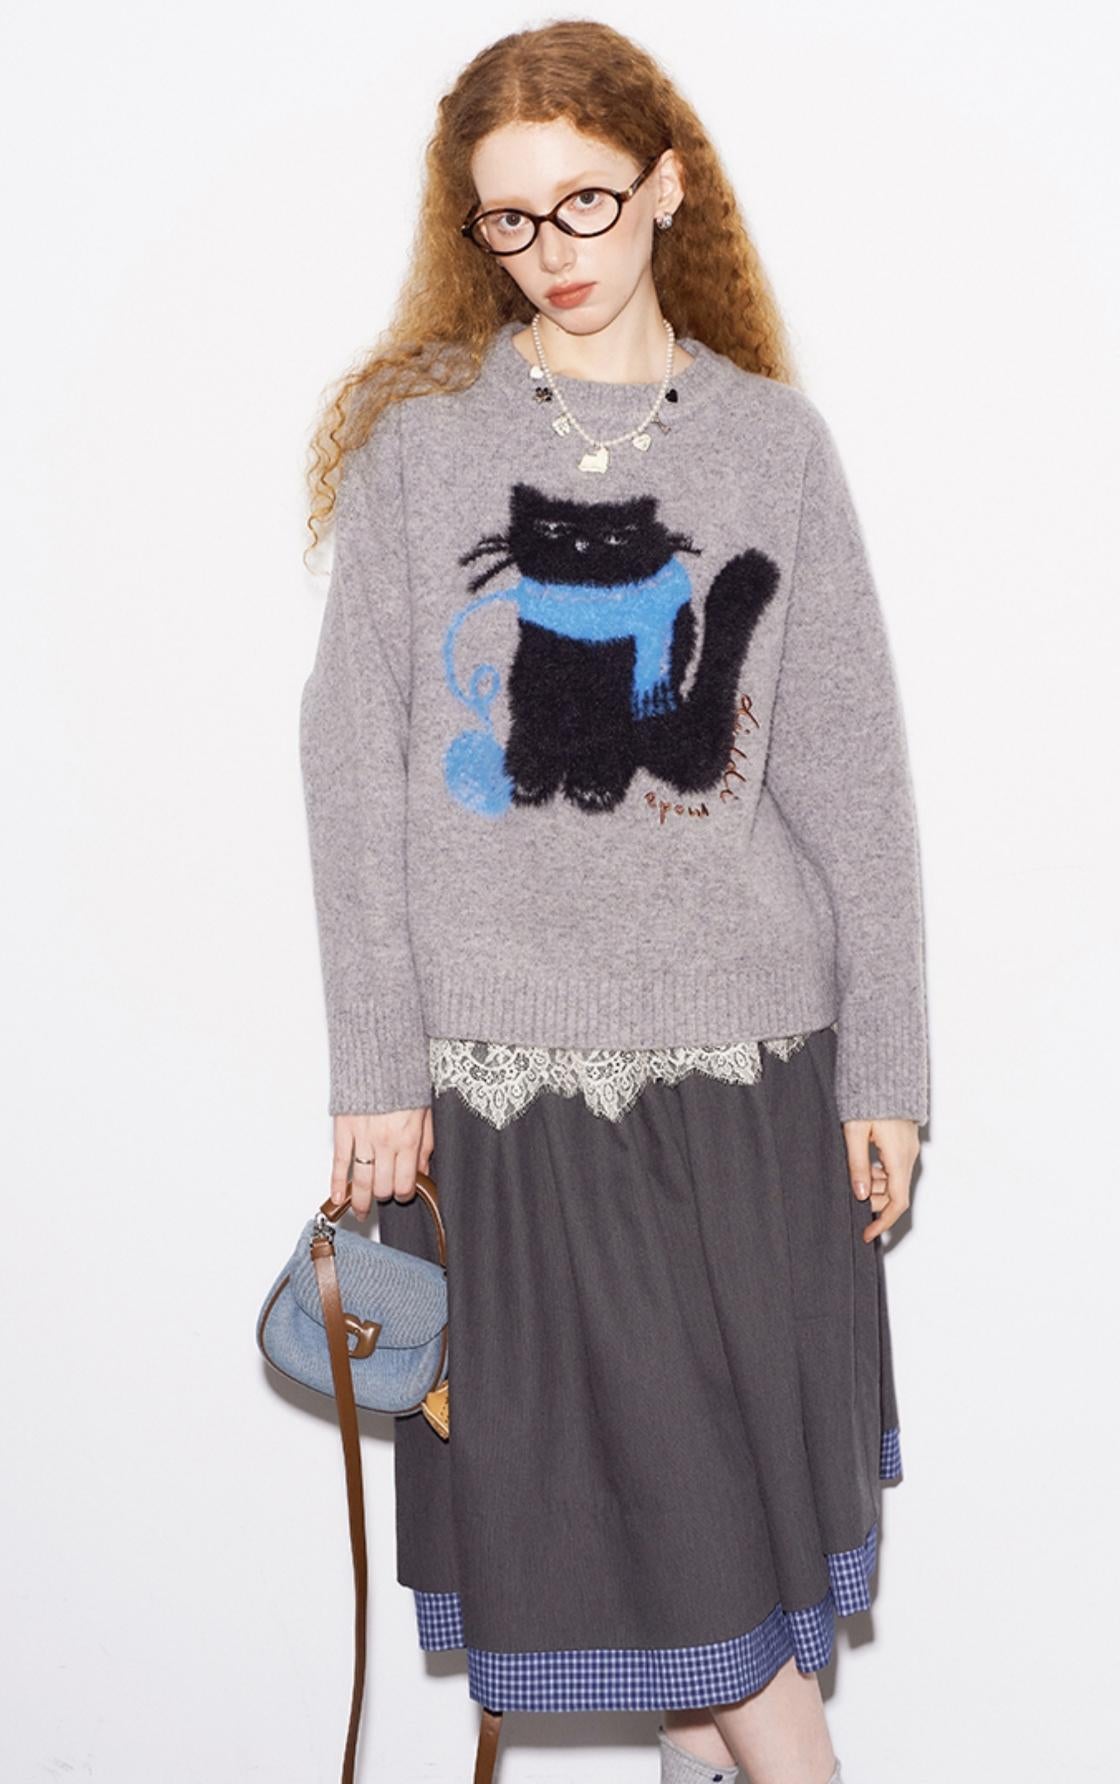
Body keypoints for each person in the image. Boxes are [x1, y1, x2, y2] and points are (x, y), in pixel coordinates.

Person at [297, 21, 929, 1784]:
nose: (552, 251)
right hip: (514, 1094)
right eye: (509, 221)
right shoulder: (421, 448)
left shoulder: (772, 445)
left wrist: (886, 1070)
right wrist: (376, 1067)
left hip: (754, 1079)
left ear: (663, 187)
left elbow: (852, 777)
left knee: (713, 1540)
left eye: (583, 202)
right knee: (671, 1536)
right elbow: (349, 769)